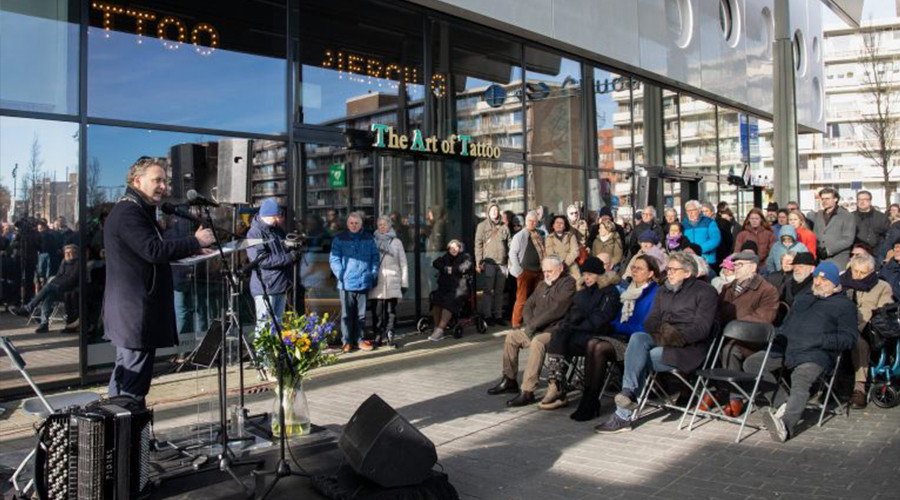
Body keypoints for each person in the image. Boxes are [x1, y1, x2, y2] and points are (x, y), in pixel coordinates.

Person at [104, 157, 215, 404]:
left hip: (133, 313)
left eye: (164, 181)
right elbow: (153, 250)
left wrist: (191, 250)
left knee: (126, 379)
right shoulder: (128, 213)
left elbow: (152, 250)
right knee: (132, 386)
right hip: (134, 313)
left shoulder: (136, 209)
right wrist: (196, 241)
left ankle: (123, 434)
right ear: (137, 180)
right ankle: (128, 436)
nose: (163, 186)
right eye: (157, 180)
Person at [596, 252, 718, 433]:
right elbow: (650, 321)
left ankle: (622, 415)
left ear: (687, 273)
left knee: (641, 356)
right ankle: (629, 393)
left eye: (674, 270)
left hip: (688, 348)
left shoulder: (705, 291)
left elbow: (701, 329)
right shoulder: (663, 291)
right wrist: (664, 334)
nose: (669, 273)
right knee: (638, 338)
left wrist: (673, 335)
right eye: (668, 269)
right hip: (662, 339)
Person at [749, 261, 858, 442]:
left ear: (834, 283)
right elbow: (787, 324)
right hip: (787, 347)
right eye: (816, 278)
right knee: (753, 363)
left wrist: (820, 340)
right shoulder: (804, 298)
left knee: (801, 378)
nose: (817, 283)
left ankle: (785, 426)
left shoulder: (844, 306)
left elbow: (849, 339)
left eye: (823, 280)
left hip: (816, 353)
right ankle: (784, 403)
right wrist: (778, 335)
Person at [570, 255, 660, 421]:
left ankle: (590, 401)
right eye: (633, 267)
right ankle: (589, 397)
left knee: (598, 347)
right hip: (620, 337)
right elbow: (617, 319)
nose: (634, 270)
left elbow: (646, 327)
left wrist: (615, 326)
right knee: (593, 342)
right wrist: (613, 325)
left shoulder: (654, 294)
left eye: (639, 268)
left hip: (637, 343)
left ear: (650, 273)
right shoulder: (628, 292)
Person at [487, 256, 576, 406]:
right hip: (535, 327)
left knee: (537, 342)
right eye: (544, 271)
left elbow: (556, 310)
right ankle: (509, 380)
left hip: (554, 330)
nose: (546, 274)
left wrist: (533, 326)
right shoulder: (542, 284)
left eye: (550, 271)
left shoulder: (568, 283)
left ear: (560, 269)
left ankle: (528, 390)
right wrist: (529, 323)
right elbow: (528, 305)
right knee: (512, 337)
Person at [540, 257, 620, 411]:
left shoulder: (609, 291)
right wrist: (568, 325)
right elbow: (572, 315)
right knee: (558, 334)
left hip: (599, 335)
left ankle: (558, 387)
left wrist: (573, 326)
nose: (586, 278)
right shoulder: (582, 292)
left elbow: (600, 320)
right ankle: (555, 383)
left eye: (590, 274)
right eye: (584, 274)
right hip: (580, 333)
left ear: (599, 274)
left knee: (561, 337)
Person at [710, 251, 780, 416]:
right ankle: (715, 390)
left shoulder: (767, 290)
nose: (736, 268)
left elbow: (765, 317)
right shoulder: (728, 288)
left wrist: (735, 324)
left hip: (752, 339)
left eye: (740, 264)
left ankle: (736, 397)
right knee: (706, 344)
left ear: (753, 267)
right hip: (725, 333)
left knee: (730, 350)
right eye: (735, 265)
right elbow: (717, 310)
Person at [840, 254, 894, 409]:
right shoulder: (843, 283)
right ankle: (827, 386)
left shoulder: (882, 286)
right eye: (855, 271)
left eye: (862, 273)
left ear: (871, 272)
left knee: (859, 344)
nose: (857, 276)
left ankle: (859, 389)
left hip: (868, 330)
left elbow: (884, 313)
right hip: (842, 325)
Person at [247, 198, 300, 338]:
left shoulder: (276, 230)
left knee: (278, 325)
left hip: (279, 284)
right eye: (276, 217)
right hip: (266, 286)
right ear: (267, 215)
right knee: (264, 327)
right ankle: (263, 360)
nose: (278, 220)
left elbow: (278, 251)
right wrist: (289, 258)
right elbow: (261, 260)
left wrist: (288, 246)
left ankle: (274, 358)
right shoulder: (254, 233)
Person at [330, 212, 380, 353]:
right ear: (347, 224)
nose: (354, 225)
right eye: (351, 223)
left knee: (361, 315)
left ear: (361, 224)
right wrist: (342, 275)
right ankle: (346, 341)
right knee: (347, 315)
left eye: (356, 223)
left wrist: (372, 273)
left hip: (363, 281)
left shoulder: (368, 238)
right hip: (346, 284)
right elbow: (334, 259)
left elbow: (375, 258)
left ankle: (359, 340)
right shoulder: (340, 239)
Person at [12, 244, 80, 333]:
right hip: (58, 288)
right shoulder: (64, 262)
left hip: (69, 291)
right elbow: (58, 276)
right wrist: (55, 284)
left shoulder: (78, 264)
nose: (68, 255)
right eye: (66, 253)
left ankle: (28, 308)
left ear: (76, 253)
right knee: (47, 298)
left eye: (71, 253)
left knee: (48, 287)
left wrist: (56, 284)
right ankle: (44, 324)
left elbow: (72, 280)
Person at [369, 215, 408, 347]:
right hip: (377, 282)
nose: (382, 227)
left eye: (384, 225)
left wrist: (404, 283)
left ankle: (390, 334)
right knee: (378, 311)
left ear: (390, 226)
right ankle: (378, 335)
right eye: (380, 225)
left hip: (392, 281)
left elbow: (403, 264)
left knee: (391, 311)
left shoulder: (397, 242)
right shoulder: (372, 241)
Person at [428, 240, 473, 341]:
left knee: (449, 302)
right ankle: (437, 326)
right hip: (445, 287)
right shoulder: (445, 257)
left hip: (460, 289)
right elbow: (435, 263)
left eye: (456, 247)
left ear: (460, 248)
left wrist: (450, 270)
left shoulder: (466, 256)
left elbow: (465, 267)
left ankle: (440, 330)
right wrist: (444, 268)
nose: (453, 249)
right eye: (451, 248)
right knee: (436, 300)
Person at [474, 203, 511, 326]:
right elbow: (478, 245)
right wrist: (479, 262)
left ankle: (498, 315)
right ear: (488, 212)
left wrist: (510, 261)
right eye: (492, 210)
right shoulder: (482, 226)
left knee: (500, 291)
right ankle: (488, 316)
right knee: (488, 291)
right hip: (489, 263)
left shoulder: (504, 227)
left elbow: (510, 245)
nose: (495, 212)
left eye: (496, 210)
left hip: (502, 263)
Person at [508, 211, 545, 328]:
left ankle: (533, 321)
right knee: (521, 299)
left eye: (535, 221)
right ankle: (516, 323)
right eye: (530, 221)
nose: (532, 223)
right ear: (526, 222)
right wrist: (519, 271)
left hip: (538, 271)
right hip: (524, 271)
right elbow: (512, 253)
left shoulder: (539, 234)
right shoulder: (520, 235)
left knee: (536, 299)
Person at [810, 187, 857, 269]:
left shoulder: (846, 215)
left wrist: (828, 250)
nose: (824, 201)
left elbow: (848, 239)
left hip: (838, 260)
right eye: (823, 199)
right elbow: (815, 235)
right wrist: (817, 249)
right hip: (821, 260)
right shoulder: (819, 215)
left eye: (827, 198)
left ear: (835, 199)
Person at [545, 215, 582, 287]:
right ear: (553, 225)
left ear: (565, 226)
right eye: (557, 223)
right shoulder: (549, 238)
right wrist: (559, 264)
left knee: (577, 287)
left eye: (561, 223)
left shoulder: (571, 236)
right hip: (556, 268)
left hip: (571, 266)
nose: (559, 224)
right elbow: (550, 253)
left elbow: (575, 251)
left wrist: (565, 263)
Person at [682, 200, 721, 267]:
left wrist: (698, 249)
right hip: (689, 260)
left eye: (693, 210)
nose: (690, 213)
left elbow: (715, 240)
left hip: (706, 259)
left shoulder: (709, 222)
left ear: (699, 210)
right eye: (688, 211)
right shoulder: (683, 224)